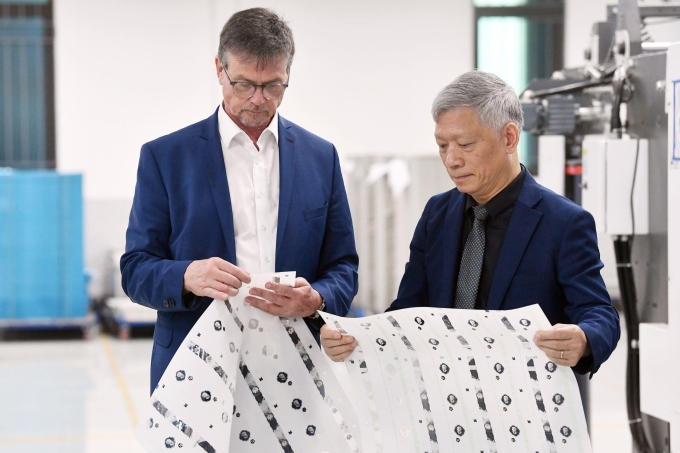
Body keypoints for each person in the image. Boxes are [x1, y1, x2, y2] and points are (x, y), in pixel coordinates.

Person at [321, 70, 620, 377]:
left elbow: (599, 312)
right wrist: (358, 339)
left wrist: (584, 338)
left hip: (526, 394)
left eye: (464, 144)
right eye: (442, 146)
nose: (452, 160)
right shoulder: (437, 214)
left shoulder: (563, 222)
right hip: (446, 394)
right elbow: (409, 311)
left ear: (509, 138)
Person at [121, 7, 358, 392]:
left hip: (297, 373)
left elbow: (343, 266)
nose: (258, 100)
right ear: (220, 69)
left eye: (273, 86)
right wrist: (187, 276)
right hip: (195, 372)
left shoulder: (321, 157)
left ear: (288, 74)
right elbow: (135, 271)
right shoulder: (165, 158)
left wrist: (317, 297)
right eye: (244, 84)